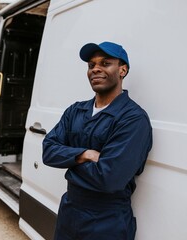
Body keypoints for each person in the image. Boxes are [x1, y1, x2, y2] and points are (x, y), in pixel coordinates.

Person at [42, 41, 153, 240]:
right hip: (69, 213)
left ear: (122, 70)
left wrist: (68, 160)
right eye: (91, 65)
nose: (96, 69)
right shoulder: (75, 111)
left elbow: (109, 178)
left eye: (105, 63)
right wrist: (84, 154)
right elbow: (48, 151)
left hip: (106, 222)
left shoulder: (133, 118)